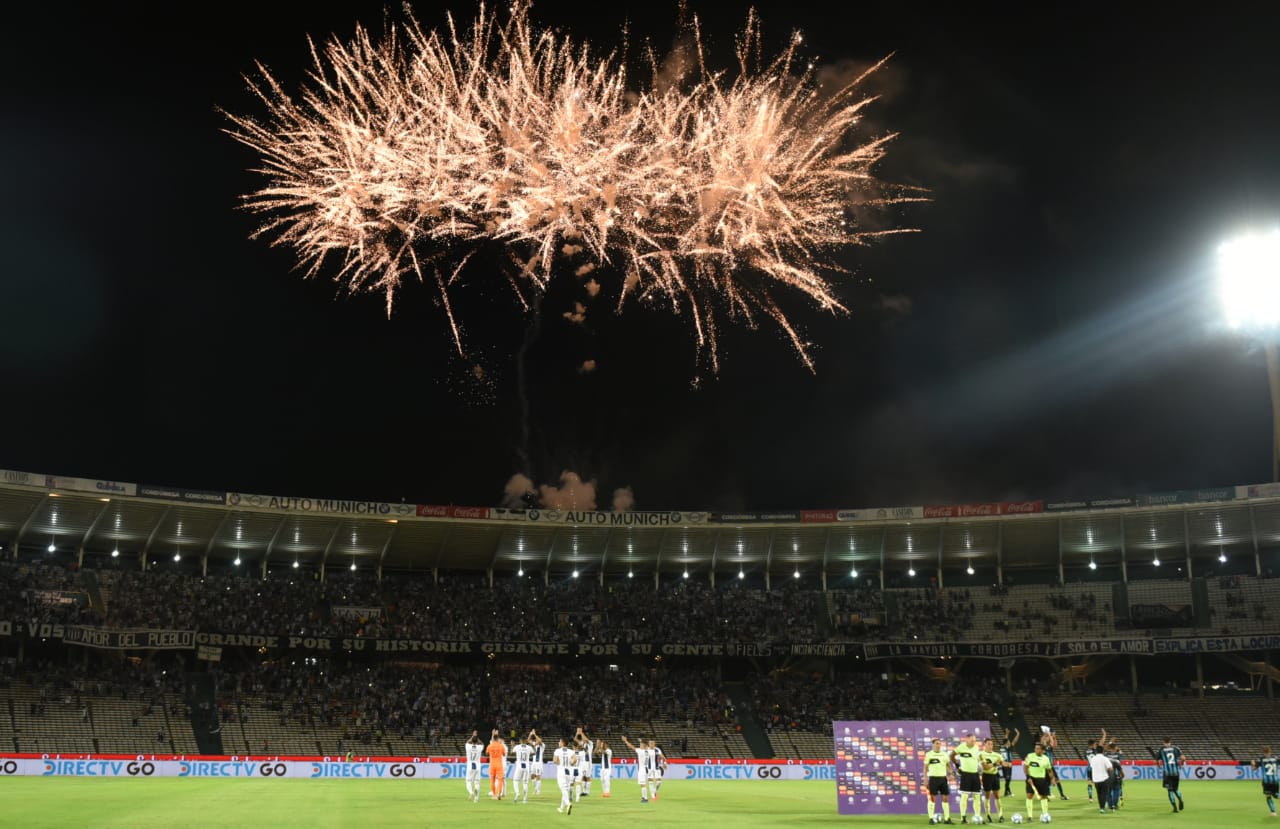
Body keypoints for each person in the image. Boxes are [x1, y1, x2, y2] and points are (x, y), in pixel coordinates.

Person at [951, 732, 982, 823]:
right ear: (967, 740)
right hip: (966, 775)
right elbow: (951, 755)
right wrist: (957, 766)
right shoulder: (961, 747)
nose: (973, 742)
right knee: (964, 796)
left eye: (974, 741)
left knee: (977, 796)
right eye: (972, 741)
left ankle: (977, 817)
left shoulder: (976, 747)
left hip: (975, 774)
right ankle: (963, 818)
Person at [924, 737, 954, 824]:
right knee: (932, 799)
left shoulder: (944, 754)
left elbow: (948, 765)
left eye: (939, 743)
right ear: (933, 745)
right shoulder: (929, 754)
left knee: (945, 798)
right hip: (933, 778)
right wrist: (925, 779)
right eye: (936, 743)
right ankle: (931, 819)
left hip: (943, 779)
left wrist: (951, 773)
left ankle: (947, 819)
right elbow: (925, 768)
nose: (938, 745)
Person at [1023, 743, 1054, 822]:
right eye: (1035, 748)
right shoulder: (1030, 756)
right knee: (1029, 796)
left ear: (1042, 750)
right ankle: (1030, 816)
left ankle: (1045, 814)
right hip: (1031, 779)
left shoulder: (1046, 758)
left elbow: (1049, 770)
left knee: (1043, 797)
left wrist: (1052, 778)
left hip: (1042, 780)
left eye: (1038, 748)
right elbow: (1025, 767)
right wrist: (1028, 777)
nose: (1036, 750)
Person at [1248, 745, 1280, 817]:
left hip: (1266, 782)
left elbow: (1253, 769)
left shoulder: (1261, 759)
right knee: (1276, 795)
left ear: (1264, 752)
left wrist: (1252, 763)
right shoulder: (1276, 758)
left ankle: (1273, 812)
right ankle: (1273, 812)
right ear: (1270, 751)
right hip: (1275, 781)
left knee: (1268, 796)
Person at [979, 737, 1005, 822]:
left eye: (991, 744)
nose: (990, 746)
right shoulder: (981, 754)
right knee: (988, 795)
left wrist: (1007, 764)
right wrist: (995, 764)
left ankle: (1001, 815)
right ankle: (988, 815)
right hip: (986, 776)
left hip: (995, 776)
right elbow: (985, 767)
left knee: (997, 796)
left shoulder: (997, 755)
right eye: (988, 744)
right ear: (984, 745)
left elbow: (1002, 763)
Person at [621, 735, 653, 803]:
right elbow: (646, 746)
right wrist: (641, 741)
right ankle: (644, 797)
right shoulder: (648, 751)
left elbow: (631, 746)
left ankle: (645, 798)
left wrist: (625, 741)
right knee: (643, 783)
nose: (639, 746)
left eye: (640, 745)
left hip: (642, 769)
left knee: (642, 784)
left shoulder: (640, 751)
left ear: (643, 745)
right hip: (646, 769)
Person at [1159, 736, 1185, 813]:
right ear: (1170, 741)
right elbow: (1183, 758)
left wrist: (1158, 765)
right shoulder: (1176, 748)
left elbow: (1157, 759)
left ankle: (1175, 808)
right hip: (1176, 772)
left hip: (1167, 773)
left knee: (1170, 790)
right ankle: (1180, 799)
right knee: (1176, 789)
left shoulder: (1161, 750)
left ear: (1163, 742)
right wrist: (1181, 764)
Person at [1041, 728, 1068, 800]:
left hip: (1050, 766)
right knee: (1048, 781)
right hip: (1046, 766)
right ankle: (1047, 795)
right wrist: (1048, 734)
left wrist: (1053, 736)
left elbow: (1054, 744)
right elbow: (1045, 741)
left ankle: (1061, 795)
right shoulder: (1044, 747)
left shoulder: (1048, 746)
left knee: (1055, 780)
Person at [1087, 747, 1114, 815]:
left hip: (1096, 779)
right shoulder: (1105, 758)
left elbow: (1091, 768)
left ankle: (1101, 807)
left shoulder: (1093, 759)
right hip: (1104, 779)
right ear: (1103, 751)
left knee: (1099, 794)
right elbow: (1110, 768)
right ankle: (1102, 808)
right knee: (1104, 794)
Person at [553, 737, 575, 815]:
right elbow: (575, 760)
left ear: (562, 743)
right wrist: (571, 764)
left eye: (559, 741)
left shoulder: (557, 751)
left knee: (563, 789)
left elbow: (555, 761)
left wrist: (560, 763)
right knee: (566, 789)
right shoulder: (571, 751)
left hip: (561, 771)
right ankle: (561, 808)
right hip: (569, 772)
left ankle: (568, 804)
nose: (559, 743)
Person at [1102, 740, 1124, 810]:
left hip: (1107, 775)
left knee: (1108, 791)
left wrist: (1109, 743)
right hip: (1116, 774)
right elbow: (1120, 762)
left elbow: (1102, 749)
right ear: (1115, 747)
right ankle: (1115, 804)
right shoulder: (1118, 754)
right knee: (1116, 790)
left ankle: (1110, 805)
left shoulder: (1105, 755)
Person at [511, 736, 533, 804]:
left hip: (519, 766)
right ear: (526, 740)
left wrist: (512, 746)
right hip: (526, 766)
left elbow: (511, 753)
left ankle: (517, 793)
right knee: (525, 783)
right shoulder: (529, 747)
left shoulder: (517, 747)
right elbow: (534, 753)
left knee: (515, 781)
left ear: (520, 740)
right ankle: (525, 799)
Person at [465, 730, 484, 803]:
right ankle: (476, 798)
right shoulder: (479, 747)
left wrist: (473, 736)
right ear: (477, 741)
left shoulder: (468, 746)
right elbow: (482, 743)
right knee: (477, 782)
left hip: (470, 765)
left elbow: (468, 741)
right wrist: (476, 737)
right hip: (477, 766)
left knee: (468, 781)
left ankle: (471, 792)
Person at [487, 731, 507, 800]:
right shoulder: (501, 746)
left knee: (492, 780)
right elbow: (504, 754)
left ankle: (494, 795)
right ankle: (499, 794)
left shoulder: (490, 745)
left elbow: (486, 753)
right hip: (499, 765)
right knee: (500, 779)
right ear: (498, 738)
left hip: (492, 765)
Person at [1000, 728, 1019, 797]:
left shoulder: (1008, 747)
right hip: (1005, 765)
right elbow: (1002, 758)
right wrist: (1007, 734)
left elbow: (1014, 741)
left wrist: (1017, 734)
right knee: (1007, 778)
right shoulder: (1003, 748)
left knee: (1008, 779)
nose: (1009, 742)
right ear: (1006, 743)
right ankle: (1008, 792)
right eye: (1008, 741)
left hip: (1009, 764)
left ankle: (1007, 792)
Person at [576, 726, 594, 797]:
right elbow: (575, 739)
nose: (583, 739)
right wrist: (577, 733)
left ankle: (587, 792)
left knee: (588, 777)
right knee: (583, 776)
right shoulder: (583, 743)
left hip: (588, 762)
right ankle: (584, 791)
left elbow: (585, 739)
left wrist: (581, 732)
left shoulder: (590, 743)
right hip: (583, 763)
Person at [529, 730, 545, 797]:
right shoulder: (535, 745)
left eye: (538, 740)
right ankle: (536, 789)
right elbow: (528, 740)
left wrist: (535, 734)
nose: (537, 741)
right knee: (532, 776)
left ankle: (538, 790)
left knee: (538, 776)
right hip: (534, 763)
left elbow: (540, 741)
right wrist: (530, 734)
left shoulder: (542, 745)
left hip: (539, 763)